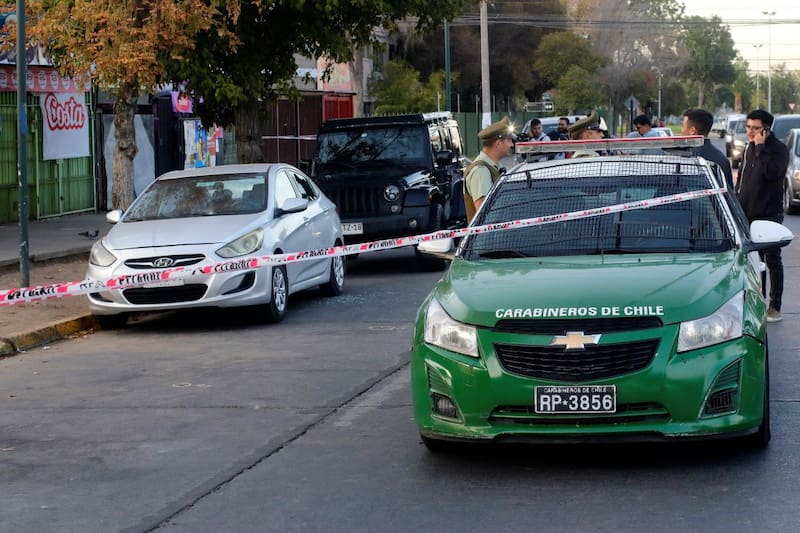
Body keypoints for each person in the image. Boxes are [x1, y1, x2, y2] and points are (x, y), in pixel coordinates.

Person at [736, 109, 790, 323]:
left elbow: (772, 173)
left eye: (755, 128)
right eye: (748, 127)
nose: (750, 132)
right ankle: (756, 302)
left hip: (768, 215)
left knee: (772, 260)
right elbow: (742, 179)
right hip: (746, 214)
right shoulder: (749, 148)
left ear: (767, 129)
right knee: (751, 262)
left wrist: (760, 147)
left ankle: (775, 306)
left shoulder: (778, 149)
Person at [463, 117, 515, 222]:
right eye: (509, 140)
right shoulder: (481, 171)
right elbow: (484, 212)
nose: (512, 144)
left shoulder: (494, 166)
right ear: (499, 143)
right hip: (489, 236)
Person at [681, 108, 734, 190]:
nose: (682, 131)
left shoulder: (683, 159)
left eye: (683, 126)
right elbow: (729, 194)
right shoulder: (722, 160)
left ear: (692, 130)